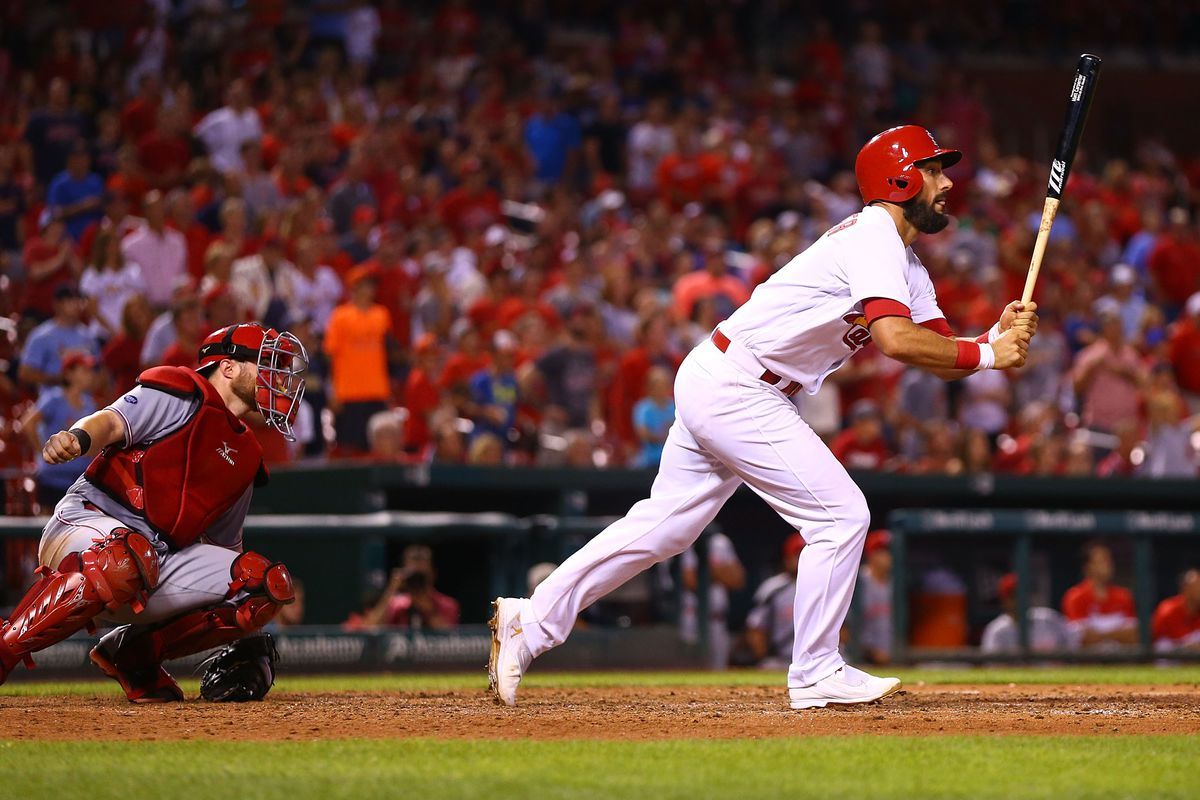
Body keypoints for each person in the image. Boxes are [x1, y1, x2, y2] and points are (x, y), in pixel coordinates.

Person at [489, 125, 1037, 710]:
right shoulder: (875, 233)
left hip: (728, 378)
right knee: (841, 514)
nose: (947, 182)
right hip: (740, 385)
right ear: (899, 177)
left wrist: (988, 342)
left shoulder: (904, 262)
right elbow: (895, 341)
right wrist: (985, 355)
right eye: (934, 170)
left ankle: (532, 617)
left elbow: (938, 352)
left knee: (667, 528)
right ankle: (815, 671)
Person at [0, 322, 307, 701]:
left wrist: (241, 620)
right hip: (86, 521)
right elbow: (110, 421)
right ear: (227, 367)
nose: (277, 379)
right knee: (123, 557)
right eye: (266, 364)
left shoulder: (246, 455)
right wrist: (77, 438)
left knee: (261, 584)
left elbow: (226, 550)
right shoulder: (178, 393)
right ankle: (5, 649)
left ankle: (133, 656)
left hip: (154, 557)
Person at [19, 352, 99, 510]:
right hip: (53, 479)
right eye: (84, 370)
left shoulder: (90, 403)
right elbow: (28, 424)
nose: (90, 375)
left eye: (90, 371)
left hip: (81, 481)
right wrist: (41, 453)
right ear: (69, 374)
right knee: (47, 528)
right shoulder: (54, 398)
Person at [1061, 541, 1139, 650]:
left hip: (1120, 661)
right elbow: (1081, 638)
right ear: (1087, 567)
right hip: (1085, 663)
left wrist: (1100, 635)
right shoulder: (1075, 596)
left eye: (1109, 560)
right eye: (1102, 561)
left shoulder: (1124, 596)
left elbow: (1134, 635)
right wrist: (1117, 634)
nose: (1108, 565)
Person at [744, 533, 805, 669]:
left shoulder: (824, 585)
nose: (802, 559)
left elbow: (843, 630)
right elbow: (756, 627)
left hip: (815, 661)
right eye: (797, 554)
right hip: (780, 659)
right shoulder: (773, 588)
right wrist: (762, 656)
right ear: (787, 558)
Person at [981, 573, 1074, 654]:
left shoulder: (1048, 618)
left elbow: (1074, 642)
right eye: (1014, 596)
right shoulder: (997, 630)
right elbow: (992, 667)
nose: (1021, 599)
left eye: (1024, 593)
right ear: (1004, 600)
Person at [855, 529, 893, 664]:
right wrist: (871, 652)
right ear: (871, 554)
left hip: (895, 659)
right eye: (883, 551)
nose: (889, 556)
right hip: (860, 659)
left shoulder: (898, 584)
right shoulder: (857, 582)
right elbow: (842, 628)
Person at [1151, 568, 1200, 652]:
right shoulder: (1168, 610)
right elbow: (1151, 641)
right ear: (1185, 589)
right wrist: (1184, 648)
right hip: (1170, 658)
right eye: (1198, 586)